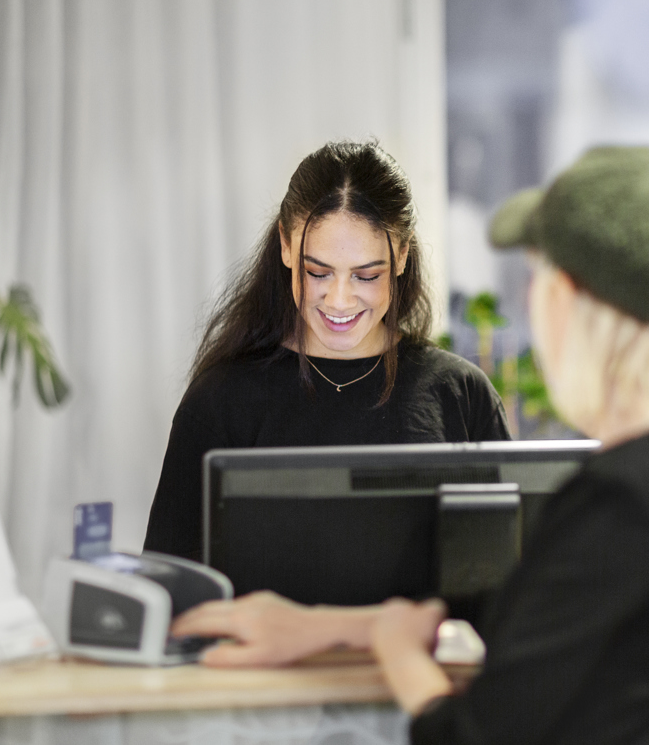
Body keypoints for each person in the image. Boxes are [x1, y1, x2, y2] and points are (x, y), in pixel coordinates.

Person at [172, 146, 649, 745]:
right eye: (320, 270)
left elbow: (477, 731)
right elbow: (532, 618)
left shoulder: (622, 501)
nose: (339, 297)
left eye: (538, 278)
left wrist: (395, 654)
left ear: (567, 301)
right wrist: (338, 627)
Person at [144, 141, 510, 562]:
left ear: (403, 255)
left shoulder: (461, 396)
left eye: (366, 275)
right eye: (317, 272)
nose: (339, 300)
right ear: (285, 246)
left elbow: (504, 584)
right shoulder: (221, 402)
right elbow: (172, 588)